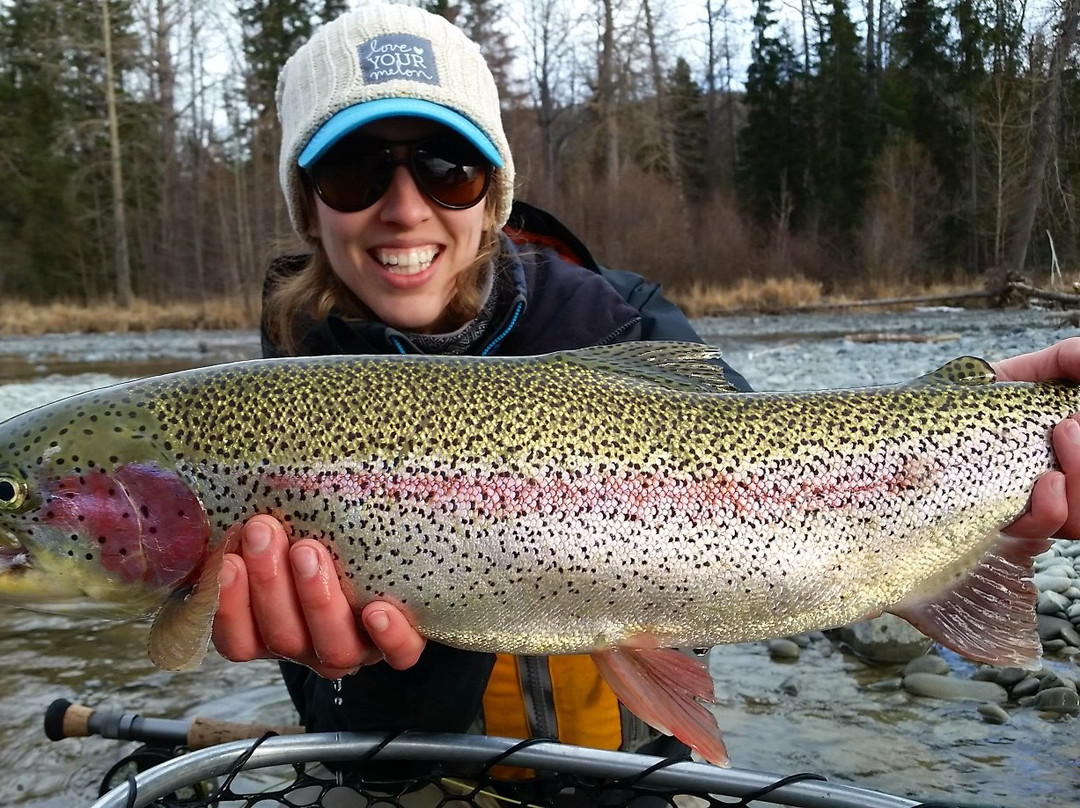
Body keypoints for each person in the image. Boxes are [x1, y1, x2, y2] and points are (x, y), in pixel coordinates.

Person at [212, 0, 1080, 769]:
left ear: (493, 191)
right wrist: (389, 659)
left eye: (448, 167)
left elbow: (776, 472)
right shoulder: (270, 421)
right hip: (420, 783)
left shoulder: (620, 320)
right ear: (308, 202)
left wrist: (974, 417)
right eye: (353, 171)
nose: (404, 207)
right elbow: (366, 761)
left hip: (638, 781)